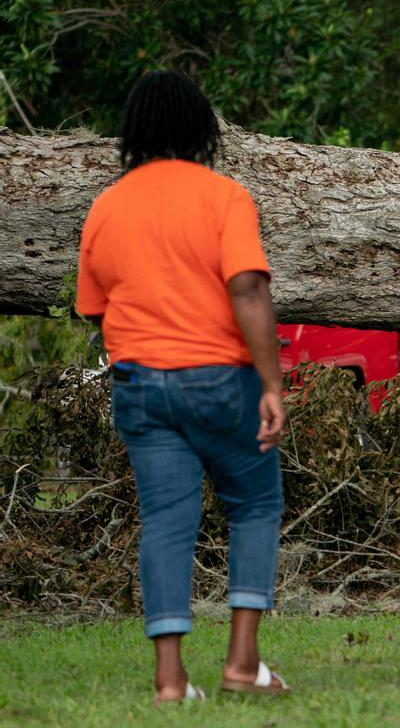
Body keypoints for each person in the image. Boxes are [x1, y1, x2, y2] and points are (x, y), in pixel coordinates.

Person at [76, 71, 290, 703]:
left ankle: (170, 680)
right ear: (202, 129)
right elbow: (248, 289)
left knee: (166, 521)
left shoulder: (106, 206)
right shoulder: (224, 197)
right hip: (222, 380)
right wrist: (272, 382)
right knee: (254, 506)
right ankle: (243, 665)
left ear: (134, 132)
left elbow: (94, 307)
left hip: (140, 384)